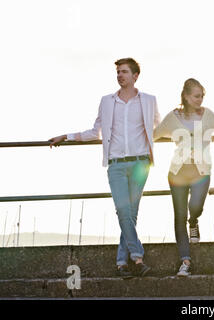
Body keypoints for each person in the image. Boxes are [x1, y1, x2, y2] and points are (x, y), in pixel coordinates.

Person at [49, 58, 160, 279]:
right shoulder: (107, 102)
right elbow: (95, 131)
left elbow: (159, 126)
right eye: (118, 72)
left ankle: (122, 263)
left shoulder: (149, 100)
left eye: (125, 72)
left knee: (130, 213)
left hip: (141, 163)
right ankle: (137, 257)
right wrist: (67, 136)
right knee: (123, 210)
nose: (120, 75)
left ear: (135, 76)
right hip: (116, 165)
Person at [154, 78, 214, 277]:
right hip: (178, 172)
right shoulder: (172, 118)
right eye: (196, 96)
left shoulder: (207, 115)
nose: (200, 99)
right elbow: (153, 135)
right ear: (185, 96)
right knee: (179, 216)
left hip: (201, 172)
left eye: (202, 96)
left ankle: (194, 221)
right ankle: (185, 261)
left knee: (195, 207)